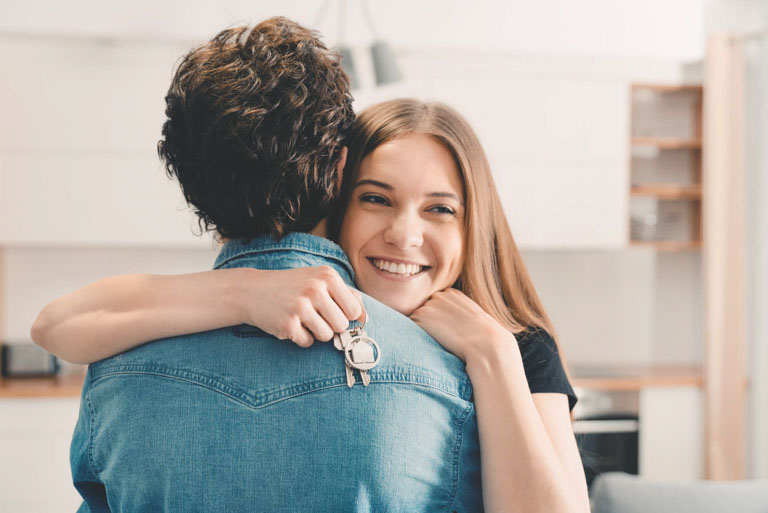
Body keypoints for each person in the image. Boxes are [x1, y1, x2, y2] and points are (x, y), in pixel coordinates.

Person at [33, 40, 590, 513]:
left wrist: (493, 354)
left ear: (476, 226)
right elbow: (55, 324)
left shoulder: (512, 349)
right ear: (338, 189)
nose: (404, 234)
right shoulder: (264, 304)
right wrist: (248, 290)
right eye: (376, 199)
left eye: (440, 209)